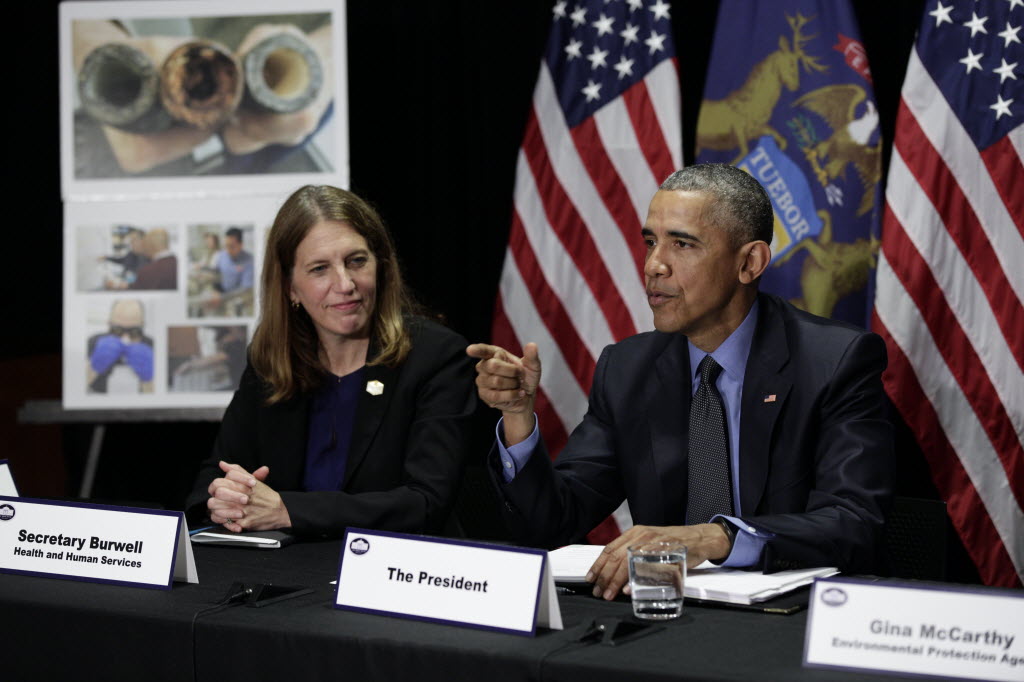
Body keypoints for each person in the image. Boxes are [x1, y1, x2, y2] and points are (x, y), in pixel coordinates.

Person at [467, 164, 893, 600]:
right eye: (651, 242)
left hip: (794, 615)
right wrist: (517, 417)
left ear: (749, 263)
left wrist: (715, 537)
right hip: (662, 610)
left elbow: (854, 523)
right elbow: (553, 522)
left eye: (682, 244)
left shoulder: (834, 362)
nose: (654, 265)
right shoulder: (628, 368)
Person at [186, 185, 477, 538]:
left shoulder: (436, 357)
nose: (345, 283)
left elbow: (426, 503)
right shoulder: (271, 361)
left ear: (381, 265)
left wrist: (286, 510)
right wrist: (225, 498)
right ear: (290, 287)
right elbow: (215, 475)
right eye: (320, 268)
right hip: (285, 567)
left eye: (357, 261)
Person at [87, 299, 154, 393]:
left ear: (142, 325)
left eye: (134, 332)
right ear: (109, 324)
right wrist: (92, 368)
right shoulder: (94, 342)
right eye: (117, 330)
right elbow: (75, 387)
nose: (125, 339)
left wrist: (149, 380)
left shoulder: (153, 346)